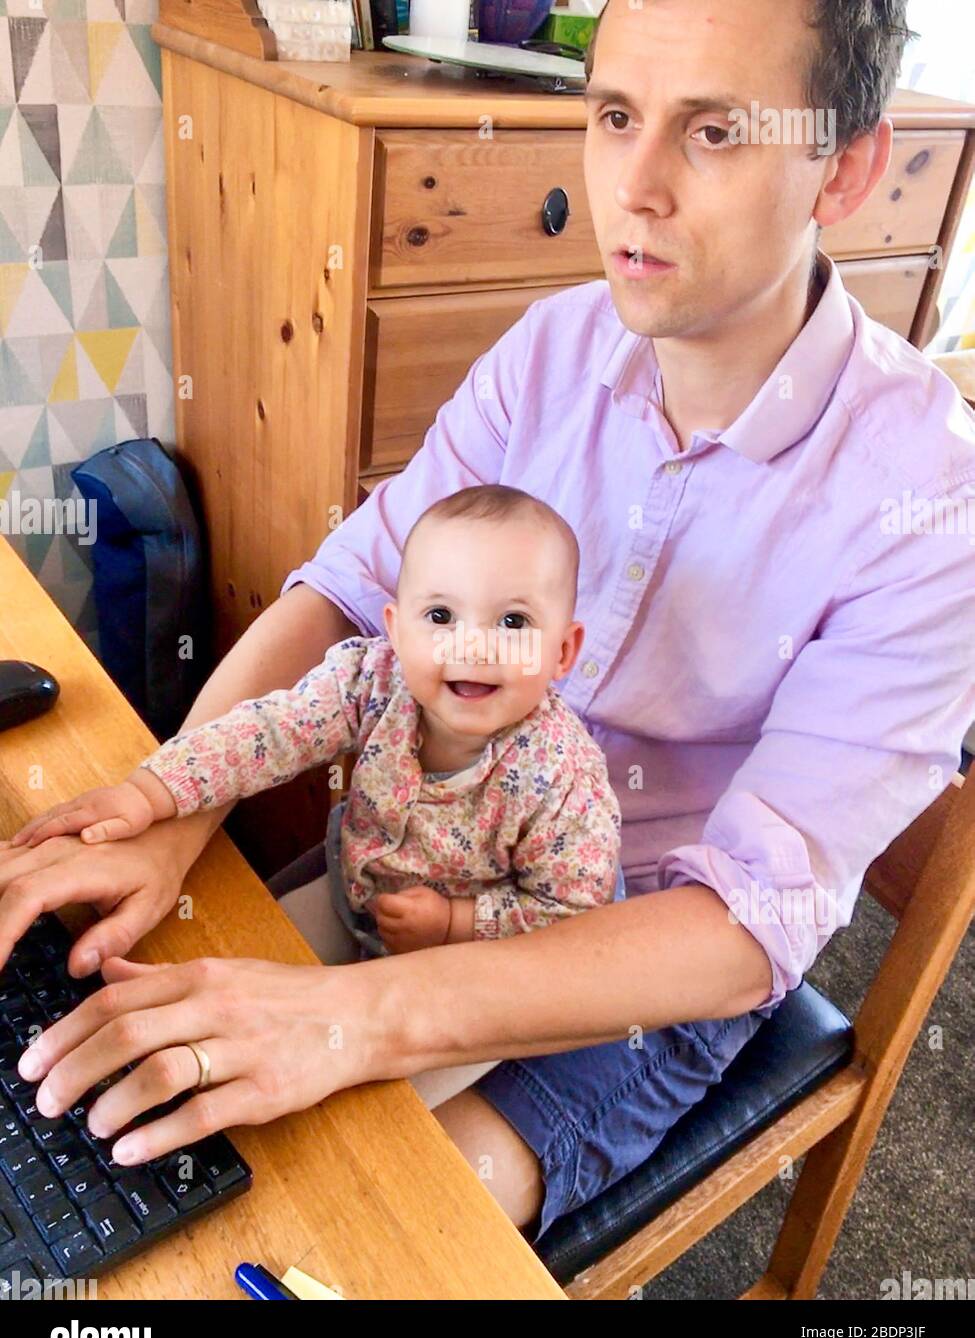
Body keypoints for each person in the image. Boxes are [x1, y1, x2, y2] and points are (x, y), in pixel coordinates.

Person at [3, 0, 974, 1244]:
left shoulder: (930, 502)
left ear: (844, 167)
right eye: (615, 116)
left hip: (651, 953)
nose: (637, 186)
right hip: (440, 847)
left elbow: (744, 927)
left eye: (715, 132)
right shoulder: (552, 353)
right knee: (108, 1123)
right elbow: (350, 587)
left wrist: (354, 1018)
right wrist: (170, 813)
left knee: (335, 1242)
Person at [11, 487, 624, 958]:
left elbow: (573, 912)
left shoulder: (563, 776)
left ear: (564, 652)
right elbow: (269, 732)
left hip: (478, 965)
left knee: (373, 1098)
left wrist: (454, 924)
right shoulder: (372, 681)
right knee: (236, 967)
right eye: (439, 615)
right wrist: (150, 792)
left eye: (512, 624)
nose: (471, 647)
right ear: (395, 627)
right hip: (353, 895)